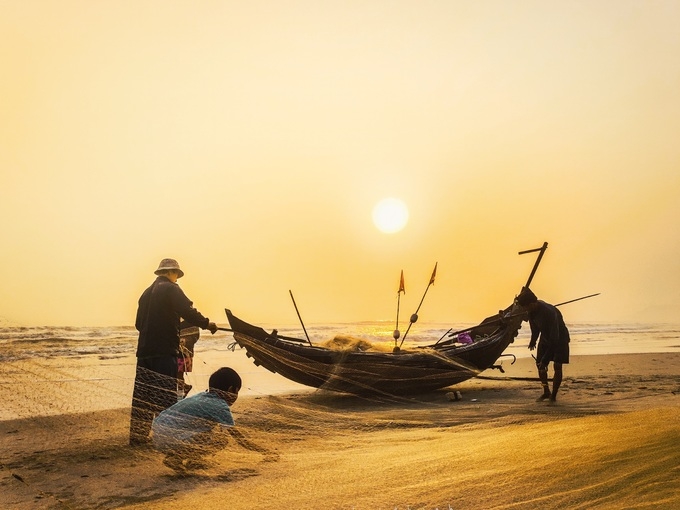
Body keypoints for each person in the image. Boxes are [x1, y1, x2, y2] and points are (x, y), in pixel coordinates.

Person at [129, 258, 218, 447]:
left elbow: (139, 324)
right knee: (165, 394)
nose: (176, 278)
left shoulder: (145, 294)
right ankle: (167, 436)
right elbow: (188, 311)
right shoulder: (171, 289)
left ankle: (137, 437)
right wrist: (207, 323)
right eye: (176, 275)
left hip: (144, 353)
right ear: (172, 272)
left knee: (143, 395)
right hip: (164, 352)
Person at [152, 367, 267, 472]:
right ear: (231, 389)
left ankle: (194, 460)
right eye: (237, 392)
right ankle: (176, 458)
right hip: (170, 439)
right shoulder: (220, 406)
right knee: (220, 439)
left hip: (157, 436)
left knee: (207, 429)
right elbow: (239, 438)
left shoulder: (201, 396)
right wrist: (264, 451)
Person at [516, 287, 570, 403]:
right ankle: (546, 391)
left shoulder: (549, 313)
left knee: (557, 365)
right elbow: (534, 328)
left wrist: (545, 360)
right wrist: (533, 340)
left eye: (525, 307)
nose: (524, 310)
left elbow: (554, 340)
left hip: (559, 339)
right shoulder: (530, 311)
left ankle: (553, 396)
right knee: (539, 364)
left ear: (532, 304)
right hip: (545, 337)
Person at [178, 323, 200, 398]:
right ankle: (183, 390)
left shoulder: (190, 318)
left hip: (185, 353)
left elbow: (196, 335)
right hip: (172, 351)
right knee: (177, 375)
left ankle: (179, 397)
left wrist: (186, 340)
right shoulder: (173, 316)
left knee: (179, 374)